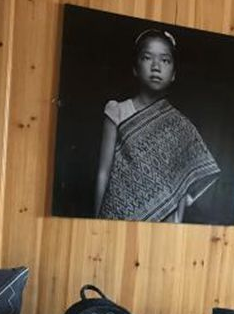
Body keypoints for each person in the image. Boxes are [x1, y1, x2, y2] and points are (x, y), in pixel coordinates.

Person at [94, 29, 220, 222]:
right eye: (147, 58)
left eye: (165, 60)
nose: (156, 66)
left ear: (173, 74)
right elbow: (103, 173)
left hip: (163, 222)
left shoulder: (180, 126)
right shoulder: (117, 111)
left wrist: (175, 226)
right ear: (135, 68)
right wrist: (96, 223)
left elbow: (183, 182)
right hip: (117, 217)